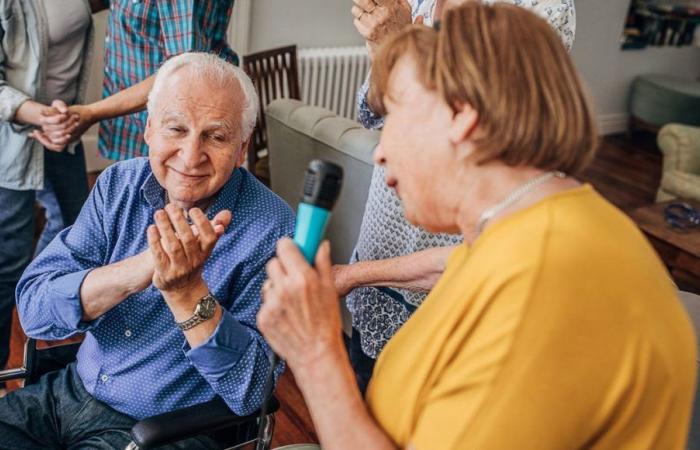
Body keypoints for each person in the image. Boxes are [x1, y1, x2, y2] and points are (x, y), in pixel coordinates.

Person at [258, 4, 696, 449]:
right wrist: (348, 277)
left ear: (461, 113)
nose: (380, 151)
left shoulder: (549, 282)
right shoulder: (527, 221)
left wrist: (314, 353)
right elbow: (455, 263)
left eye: (398, 113)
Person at [0, 52, 294, 449]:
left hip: (166, 430)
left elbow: (251, 392)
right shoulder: (118, 185)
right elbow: (34, 310)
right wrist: (141, 268)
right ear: (149, 130)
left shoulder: (273, 228)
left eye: (217, 136)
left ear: (242, 148)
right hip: (66, 394)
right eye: (176, 129)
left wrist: (187, 293)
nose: (191, 157)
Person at [340, 0, 577, 394]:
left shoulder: (543, 7)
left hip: (452, 255)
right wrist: (383, 46)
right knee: (369, 384)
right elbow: (377, 111)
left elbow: (486, 132)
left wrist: (398, 44)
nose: (379, 153)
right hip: (388, 230)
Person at [0, 0, 102, 397]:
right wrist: (41, 115)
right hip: (15, 136)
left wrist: (66, 119)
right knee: (8, 256)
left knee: (79, 230)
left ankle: (40, 316)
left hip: (65, 130)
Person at [41, 0, 238, 161]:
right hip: (134, 123)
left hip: (164, 130)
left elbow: (183, 72)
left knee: (159, 205)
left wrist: (90, 114)